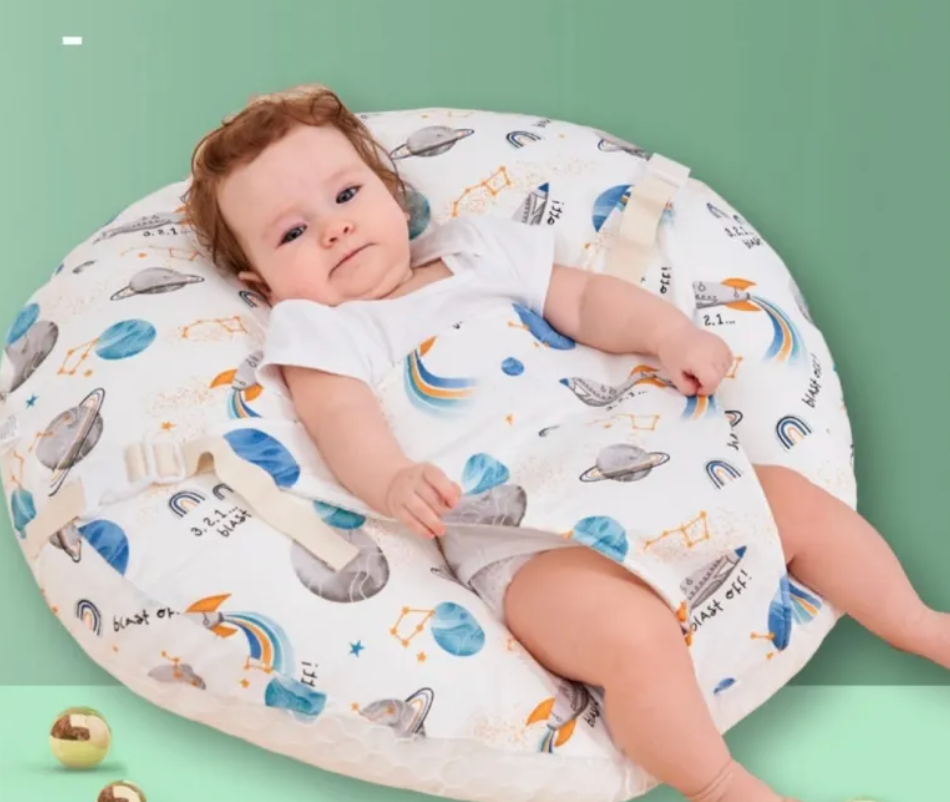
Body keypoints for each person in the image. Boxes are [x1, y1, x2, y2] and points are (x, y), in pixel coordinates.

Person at [183, 83, 947, 802]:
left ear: (393, 194)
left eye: (347, 194)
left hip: (646, 462)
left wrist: (666, 333)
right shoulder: (321, 328)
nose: (334, 227)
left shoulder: (475, 250)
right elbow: (342, 422)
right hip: (520, 536)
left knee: (796, 506)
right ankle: (719, 783)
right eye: (292, 232)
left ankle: (919, 625)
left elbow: (586, 299)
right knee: (630, 638)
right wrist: (391, 481)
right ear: (260, 284)